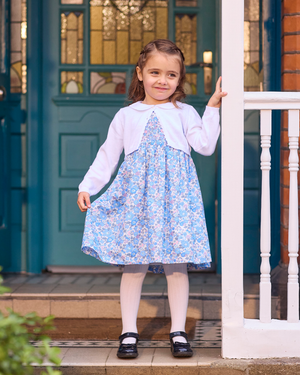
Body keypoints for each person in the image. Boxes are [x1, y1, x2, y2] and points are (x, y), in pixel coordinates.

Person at [77, 39, 227, 359]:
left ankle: (177, 331)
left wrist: (212, 107)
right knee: (134, 266)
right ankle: (128, 332)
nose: (163, 81)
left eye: (171, 75)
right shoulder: (127, 115)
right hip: (137, 200)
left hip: (175, 199)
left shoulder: (184, 112)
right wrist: (87, 185)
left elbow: (205, 145)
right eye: (155, 72)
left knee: (176, 266)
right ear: (140, 73)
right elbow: (108, 155)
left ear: (179, 79)